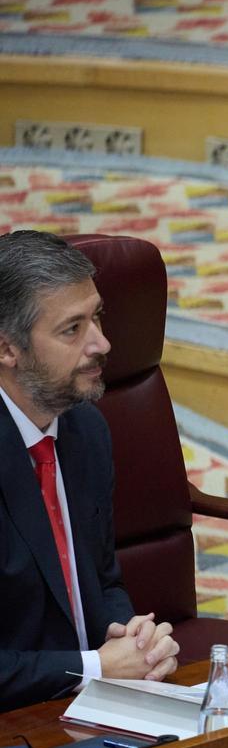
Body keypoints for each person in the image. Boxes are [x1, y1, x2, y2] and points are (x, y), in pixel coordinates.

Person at [0, 230, 179, 713]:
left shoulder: (86, 432)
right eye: (71, 329)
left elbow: (103, 581)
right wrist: (96, 667)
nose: (101, 343)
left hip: (94, 705)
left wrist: (131, 636)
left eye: (96, 317)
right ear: (6, 349)